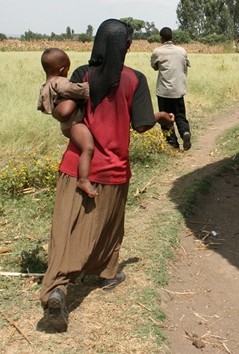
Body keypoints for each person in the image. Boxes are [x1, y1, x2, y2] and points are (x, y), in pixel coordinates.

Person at [39, 19, 175, 333]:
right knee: (109, 227)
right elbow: (140, 125)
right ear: (126, 47)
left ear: (99, 44)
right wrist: (161, 117)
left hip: (75, 166)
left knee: (65, 232)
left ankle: (58, 288)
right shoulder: (135, 79)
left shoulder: (81, 75)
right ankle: (107, 272)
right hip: (113, 169)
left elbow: (64, 108)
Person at [37, 47, 98, 197]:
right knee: (88, 147)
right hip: (74, 124)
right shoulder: (59, 82)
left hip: (68, 125)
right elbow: (75, 90)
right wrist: (93, 86)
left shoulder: (46, 86)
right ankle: (83, 179)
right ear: (62, 70)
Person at [150, 27, 192, 150]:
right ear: (172, 37)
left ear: (161, 38)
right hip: (178, 90)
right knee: (180, 115)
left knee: (166, 118)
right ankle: (185, 132)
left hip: (164, 91)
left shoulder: (158, 52)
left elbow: (154, 66)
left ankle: (173, 145)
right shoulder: (181, 51)